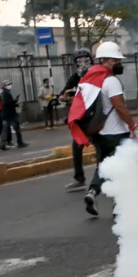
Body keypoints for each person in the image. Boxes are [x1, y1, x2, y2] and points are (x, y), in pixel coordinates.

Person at [70, 41, 138, 217]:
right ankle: (118, 206)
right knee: (122, 170)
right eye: (115, 60)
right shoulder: (111, 81)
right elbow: (119, 107)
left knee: (103, 166)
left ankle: (92, 192)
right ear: (105, 60)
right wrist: (133, 125)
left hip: (99, 133)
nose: (118, 64)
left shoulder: (89, 80)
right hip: (117, 133)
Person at [63, 51, 89, 191]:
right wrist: (64, 95)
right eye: (79, 61)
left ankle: (108, 177)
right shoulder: (76, 77)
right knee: (76, 146)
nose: (83, 63)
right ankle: (79, 177)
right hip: (82, 117)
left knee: (104, 147)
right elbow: (65, 90)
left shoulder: (95, 74)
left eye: (86, 60)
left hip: (98, 116)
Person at [0, 80, 28, 149]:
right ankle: (20, 142)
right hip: (10, 114)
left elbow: (7, 104)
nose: (10, 86)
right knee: (17, 129)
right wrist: (15, 101)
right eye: (8, 84)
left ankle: (3, 144)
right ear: (4, 85)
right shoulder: (6, 93)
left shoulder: (3, 93)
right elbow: (7, 103)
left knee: (5, 129)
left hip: (5, 114)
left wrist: (15, 104)